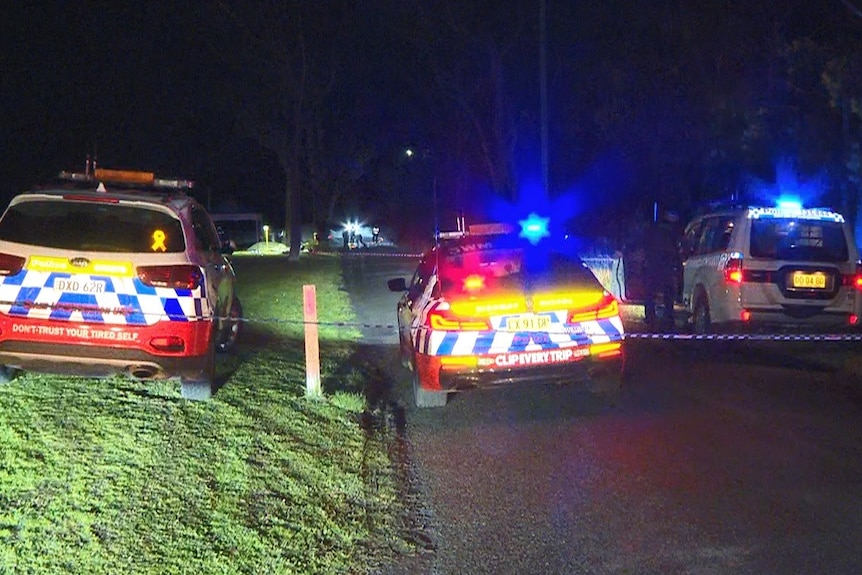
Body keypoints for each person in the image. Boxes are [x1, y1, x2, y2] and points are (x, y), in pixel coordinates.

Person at [641, 210, 681, 329]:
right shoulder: (672, 232)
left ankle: (650, 318)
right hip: (665, 266)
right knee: (668, 294)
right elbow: (677, 250)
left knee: (650, 293)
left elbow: (643, 246)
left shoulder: (652, 230)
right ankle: (668, 319)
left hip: (653, 266)